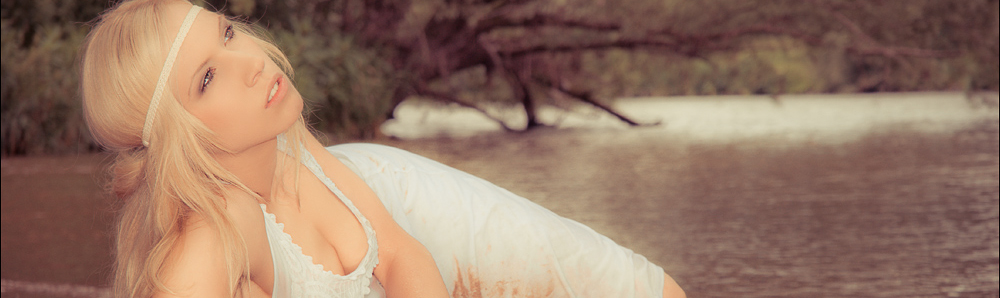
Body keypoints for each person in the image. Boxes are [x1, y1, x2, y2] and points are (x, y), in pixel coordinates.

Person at [80, 0, 686, 297]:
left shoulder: (276, 139)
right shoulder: (209, 238)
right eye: (206, 78)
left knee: (648, 292)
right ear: (174, 134)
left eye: (229, 32)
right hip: (375, 196)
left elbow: (397, 253)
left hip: (405, 200)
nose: (249, 62)